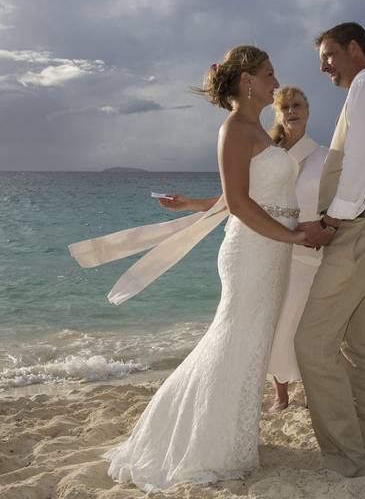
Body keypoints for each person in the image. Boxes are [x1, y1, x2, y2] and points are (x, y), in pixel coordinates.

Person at [160, 86, 365, 411]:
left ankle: (312, 389)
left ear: (308, 111)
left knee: (305, 325)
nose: (292, 111)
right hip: (271, 246)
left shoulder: (326, 156)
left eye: (297, 105)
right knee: (275, 322)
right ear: (277, 114)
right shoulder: (268, 155)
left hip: (312, 247)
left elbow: (361, 191)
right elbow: (237, 199)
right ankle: (281, 393)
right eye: (285, 107)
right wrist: (190, 204)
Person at [102, 45, 309, 490]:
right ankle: (203, 445)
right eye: (270, 74)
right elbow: (238, 202)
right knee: (235, 340)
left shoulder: (255, 128)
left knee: (250, 345)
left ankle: (232, 439)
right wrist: (292, 235)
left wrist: (294, 228)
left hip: (272, 251)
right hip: (253, 252)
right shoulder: (234, 128)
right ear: (249, 81)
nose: (277, 82)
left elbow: (249, 195)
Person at [296, 22, 365, 478]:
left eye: (328, 55)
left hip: (359, 230)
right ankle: (363, 443)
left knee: (311, 342)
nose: (323, 66)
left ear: (353, 49)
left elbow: (359, 167)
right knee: (356, 342)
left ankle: (347, 457)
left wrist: (329, 222)